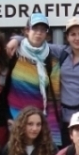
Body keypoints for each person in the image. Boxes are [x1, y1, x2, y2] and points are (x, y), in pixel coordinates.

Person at [8, 16, 79, 145]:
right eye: (73, 34)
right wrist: (16, 40)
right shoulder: (61, 52)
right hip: (64, 118)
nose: (77, 38)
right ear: (67, 37)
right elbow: (35, 42)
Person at [6, 13, 62, 147]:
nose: (39, 33)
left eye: (43, 30)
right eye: (35, 29)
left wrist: (52, 131)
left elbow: (54, 98)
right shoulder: (13, 53)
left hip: (40, 122)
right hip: (15, 119)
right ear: (26, 31)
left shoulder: (51, 60)